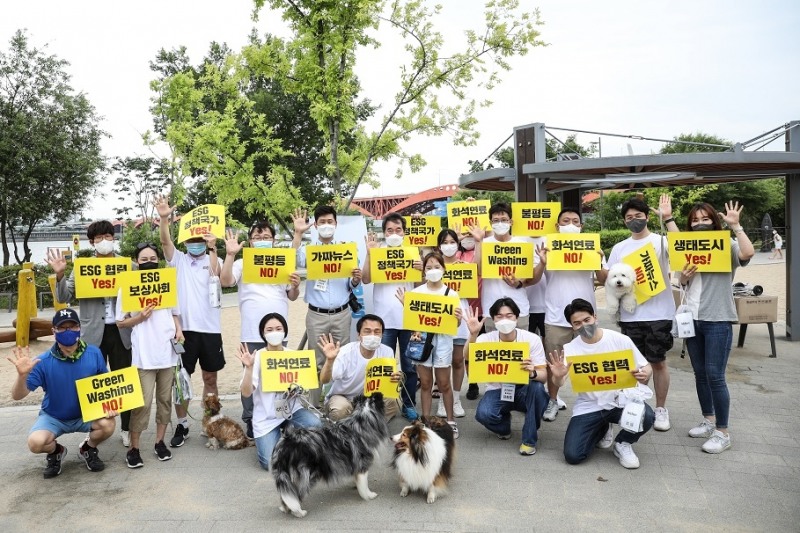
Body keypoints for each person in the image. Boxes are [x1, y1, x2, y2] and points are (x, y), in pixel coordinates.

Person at [665, 201, 754, 454]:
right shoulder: (687, 249)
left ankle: (723, 432)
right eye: (695, 220)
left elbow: (747, 253)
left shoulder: (725, 245)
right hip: (691, 320)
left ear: (714, 221)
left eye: (705, 219)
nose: (700, 223)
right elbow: (680, 279)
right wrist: (684, 277)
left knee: (715, 375)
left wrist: (735, 225)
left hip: (717, 319)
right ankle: (709, 420)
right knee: (700, 373)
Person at [48, 220, 134, 447]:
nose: (104, 241)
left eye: (108, 236)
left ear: (114, 239)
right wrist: (59, 275)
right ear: (92, 242)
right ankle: (95, 429)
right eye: (99, 238)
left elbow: (137, 295)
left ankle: (126, 428)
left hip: (121, 330)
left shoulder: (128, 265)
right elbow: (64, 297)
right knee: (94, 383)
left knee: (123, 379)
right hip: (92, 332)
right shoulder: (82, 267)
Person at [597, 196, 675, 431]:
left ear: (647, 217)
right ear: (624, 221)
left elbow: (682, 247)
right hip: (630, 315)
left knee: (658, 362)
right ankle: (636, 406)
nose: (634, 221)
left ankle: (661, 409)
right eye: (629, 218)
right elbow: (607, 280)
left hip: (659, 313)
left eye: (638, 216)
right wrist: (595, 262)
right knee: (634, 365)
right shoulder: (620, 247)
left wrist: (668, 218)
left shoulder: (661, 242)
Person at [547, 299, 654, 469]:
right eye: (577, 323)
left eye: (587, 320)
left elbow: (646, 366)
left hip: (620, 400)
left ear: (595, 318)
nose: (583, 325)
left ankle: (623, 443)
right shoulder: (570, 349)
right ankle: (602, 428)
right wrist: (558, 376)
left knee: (647, 415)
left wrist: (645, 373)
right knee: (573, 455)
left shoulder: (620, 340)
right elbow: (559, 381)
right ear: (572, 327)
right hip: (589, 405)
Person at [8, 308, 115, 478]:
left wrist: (110, 405)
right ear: (54, 331)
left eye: (72, 327)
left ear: (79, 328)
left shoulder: (94, 353)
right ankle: (56, 452)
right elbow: (17, 396)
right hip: (54, 416)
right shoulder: (42, 361)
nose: (68, 331)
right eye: (62, 327)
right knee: (35, 443)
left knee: (108, 424)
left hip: (85, 414)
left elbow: (105, 384)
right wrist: (22, 376)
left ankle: (88, 448)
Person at [154, 195, 225, 448]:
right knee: (181, 380)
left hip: (210, 330)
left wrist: (214, 247)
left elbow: (218, 277)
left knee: (210, 379)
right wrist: (164, 219)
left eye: (200, 240)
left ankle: (211, 421)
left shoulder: (212, 259)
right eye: (192, 240)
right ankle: (182, 424)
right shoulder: (179, 261)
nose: (196, 244)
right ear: (185, 242)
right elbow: (165, 241)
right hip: (182, 332)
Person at [220, 222, 301, 438]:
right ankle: (250, 418)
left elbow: (292, 296)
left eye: (266, 235)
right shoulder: (242, 263)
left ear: (273, 240)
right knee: (250, 375)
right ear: (251, 241)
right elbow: (226, 280)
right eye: (257, 236)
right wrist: (229, 255)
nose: (262, 238)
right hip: (251, 333)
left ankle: (281, 417)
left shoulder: (282, 262)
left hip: (278, 332)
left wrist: (295, 285)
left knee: (279, 377)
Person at [531, 207, 604, 422]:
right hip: (555, 316)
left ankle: (593, 404)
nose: (570, 224)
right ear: (557, 226)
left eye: (575, 221)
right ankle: (552, 400)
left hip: (586, 317)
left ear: (581, 226)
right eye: (565, 221)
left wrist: (599, 261)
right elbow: (534, 279)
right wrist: (542, 263)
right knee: (555, 362)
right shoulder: (547, 246)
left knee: (591, 362)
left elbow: (604, 276)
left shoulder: (592, 246)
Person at [116, 243, 184, 468]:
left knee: (164, 401)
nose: (148, 262)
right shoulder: (127, 286)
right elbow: (121, 322)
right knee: (142, 403)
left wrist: (179, 330)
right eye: (143, 259)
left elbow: (175, 313)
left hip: (167, 352)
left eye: (152, 258)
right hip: (144, 355)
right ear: (136, 261)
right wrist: (140, 318)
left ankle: (160, 442)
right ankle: (134, 448)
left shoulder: (167, 282)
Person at [291, 206, 362, 407]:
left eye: (330, 221)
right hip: (317, 315)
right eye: (322, 222)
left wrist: (356, 281)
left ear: (336, 224)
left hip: (342, 313)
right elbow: (291, 259)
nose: (326, 225)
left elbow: (351, 283)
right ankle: (314, 408)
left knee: (342, 359)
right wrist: (297, 233)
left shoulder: (346, 250)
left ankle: (339, 406)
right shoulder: (308, 251)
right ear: (315, 225)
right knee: (316, 362)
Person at [235, 313, 322, 471]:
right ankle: (285, 443)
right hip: (267, 416)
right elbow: (246, 392)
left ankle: (290, 437)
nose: (274, 332)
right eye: (269, 329)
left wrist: (297, 388)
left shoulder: (294, 356)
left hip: (291, 410)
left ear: (284, 331)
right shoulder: (258, 357)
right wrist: (248, 368)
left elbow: (306, 385)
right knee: (268, 462)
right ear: (263, 333)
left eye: (278, 328)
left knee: (315, 424)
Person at [467, 298, 548, 456]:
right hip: (497, 389)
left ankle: (529, 440)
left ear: (517, 318)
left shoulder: (532, 339)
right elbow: (468, 357)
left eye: (509, 315)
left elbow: (544, 377)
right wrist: (473, 334)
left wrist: (533, 373)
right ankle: (504, 426)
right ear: (493, 319)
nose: (504, 319)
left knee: (538, 388)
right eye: (499, 316)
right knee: (483, 414)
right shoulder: (485, 339)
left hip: (524, 389)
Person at [396, 252, 464, 437]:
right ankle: (425, 422)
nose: (433, 270)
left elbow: (455, 324)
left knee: (444, 383)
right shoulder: (416, 294)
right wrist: (406, 306)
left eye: (437, 267)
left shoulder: (452, 294)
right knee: (425, 383)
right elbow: (411, 323)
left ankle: (450, 421)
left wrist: (458, 319)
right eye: (429, 267)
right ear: (423, 271)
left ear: (444, 269)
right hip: (422, 342)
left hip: (443, 341)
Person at [362, 212, 420, 421]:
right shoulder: (378, 252)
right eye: (389, 230)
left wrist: (421, 270)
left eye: (398, 230)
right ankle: (383, 405)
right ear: (384, 233)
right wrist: (369, 254)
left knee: (409, 366)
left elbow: (423, 283)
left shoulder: (413, 253)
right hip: (383, 321)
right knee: (382, 365)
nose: (394, 234)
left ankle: (409, 404)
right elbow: (366, 279)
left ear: (404, 232)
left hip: (408, 319)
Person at [319, 314, 402, 421]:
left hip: (369, 398)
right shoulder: (346, 352)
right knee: (340, 409)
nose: (372, 335)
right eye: (367, 331)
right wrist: (329, 361)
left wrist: (396, 378)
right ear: (359, 335)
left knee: (393, 401)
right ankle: (344, 434)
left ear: (382, 334)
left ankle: (372, 429)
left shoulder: (387, 351)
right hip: (343, 397)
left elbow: (390, 382)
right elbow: (325, 380)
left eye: (377, 332)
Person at [435, 228, 471, 418]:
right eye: (445, 242)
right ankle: (443, 398)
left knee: (458, 360)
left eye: (452, 242)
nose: (448, 246)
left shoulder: (464, 266)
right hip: (440, 318)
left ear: (458, 244)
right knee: (442, 360)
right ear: (439, 246)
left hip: (460, 314)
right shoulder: (434, 267)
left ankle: (455, 398)